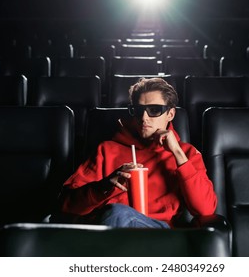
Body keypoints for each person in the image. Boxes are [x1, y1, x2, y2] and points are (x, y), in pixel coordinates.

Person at [54, 77, 217, 228]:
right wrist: (104, 186)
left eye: (154, 110)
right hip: (110, 230)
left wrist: (177, 153)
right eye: (138, 110)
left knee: (119, 214)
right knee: (116, 214)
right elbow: (66, 204)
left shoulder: (187, 154)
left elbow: (205, 210)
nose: (144, 118)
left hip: (158, 235)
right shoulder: (106, 150)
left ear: (171, 114)